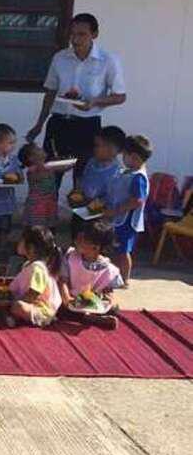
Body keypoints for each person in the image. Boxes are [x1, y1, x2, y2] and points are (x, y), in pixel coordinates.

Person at [26, 13, 127, 189]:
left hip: (87, 126)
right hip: (59, 124)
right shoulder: (60, 58)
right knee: (50, 176)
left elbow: (120, 96)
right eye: (72, 34)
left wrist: (95, 102)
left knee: (82, 178)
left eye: (82, 34)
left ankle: (78, 208)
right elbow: (50, 92)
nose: (75, 39)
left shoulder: (108, 61)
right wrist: (39, 124)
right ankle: (46, 208)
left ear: (94, 34)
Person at [104, 134, 152, 283]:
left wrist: (116, 210)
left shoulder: (138, 177)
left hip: (127, 222)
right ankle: (114, 276)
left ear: (134, 157)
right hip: (117, 219)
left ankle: (125, 279)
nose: (122, 158)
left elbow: (137, 200)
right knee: (115, 249)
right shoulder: (127, 172)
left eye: (124, 155)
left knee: (123, 251)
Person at [58, 220, 123, 330]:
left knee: (114, 309)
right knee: (60, 309)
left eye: (82, 240)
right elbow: (62, 281)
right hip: (71, 300)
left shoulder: (108, 268)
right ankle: (91, 318)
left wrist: (108, 301)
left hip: (91, 303)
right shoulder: (70, 257)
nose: (76, 241)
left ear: (95, 247)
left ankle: (93, 317)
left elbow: (107, 290)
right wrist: (67, 299)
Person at [69, 125, 125, 239]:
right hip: (81, 211)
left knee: (90, 242)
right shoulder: (91, 162)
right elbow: (83, 182)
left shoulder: (116, 173)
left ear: (112, 149)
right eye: (95, 145)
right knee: (76, 237)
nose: (95, 149)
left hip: (98, 219)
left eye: (99, 146)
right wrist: (76, 193)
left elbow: (110, 200)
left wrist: (89, 205)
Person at [8, 226, 63, 328]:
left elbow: (34, 293)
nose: (18, 243)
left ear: (31, 247)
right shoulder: (27, 264)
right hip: (30, 304)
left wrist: (17, 301)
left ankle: (16, 316)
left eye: (21, 240)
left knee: (18, 306)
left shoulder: (38, 268)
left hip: (41, 310)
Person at [18, 143, 61, 230]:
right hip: (37, 206)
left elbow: (64, 167)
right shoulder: (32, 169)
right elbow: (39, 175)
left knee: (48, 228)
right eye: (38, 149)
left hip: (49, 203)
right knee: (36, 229)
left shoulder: (48, 166)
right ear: (31, 158)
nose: (42, 149)